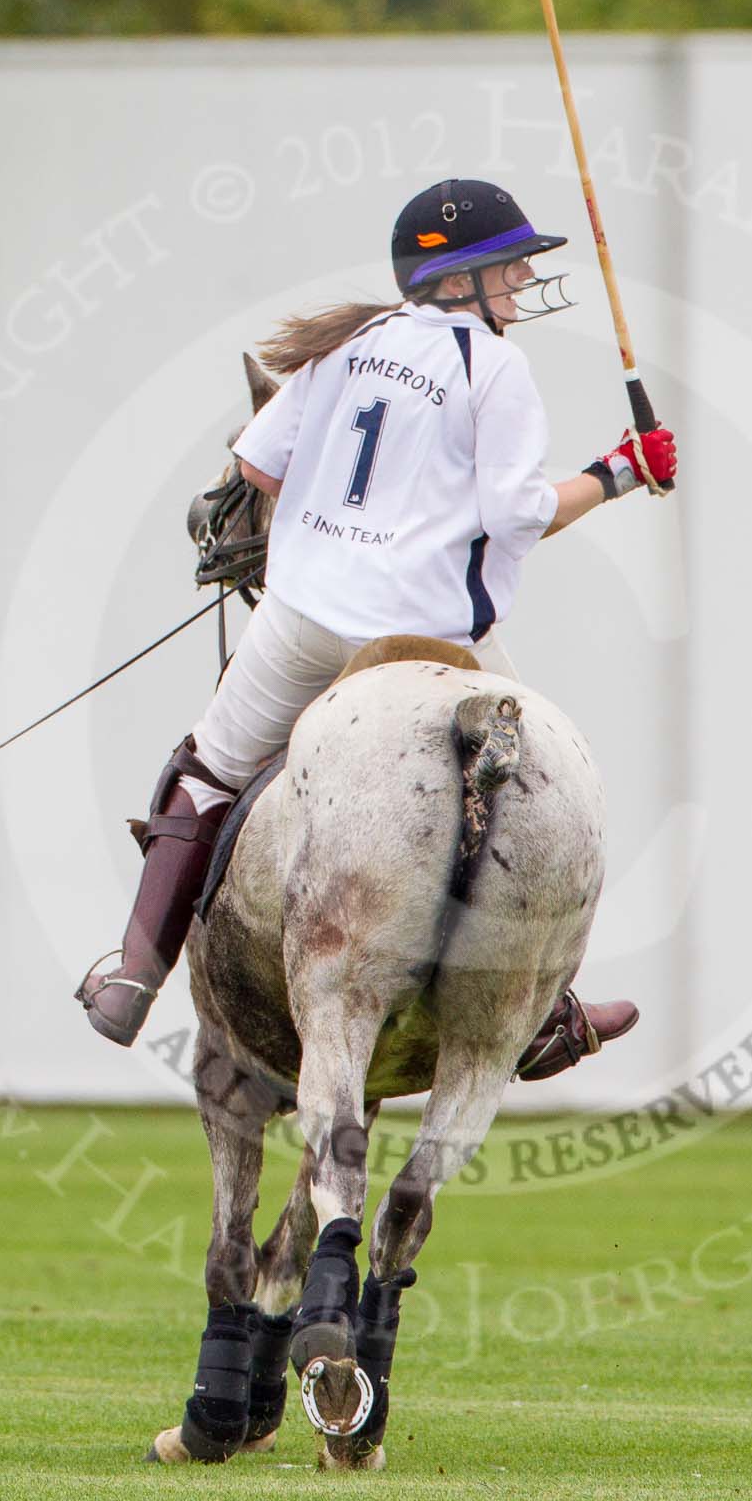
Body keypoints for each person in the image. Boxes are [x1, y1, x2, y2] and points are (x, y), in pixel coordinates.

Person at [78, 178, 678, 1075]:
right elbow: (516, 517)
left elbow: (260, 468)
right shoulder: (494, 366)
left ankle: (133, 974)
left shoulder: (349, 340)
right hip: (431, 643)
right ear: (457, 280)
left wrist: (349, 524)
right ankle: (546, 1010)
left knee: (206, 771)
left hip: (303, 622)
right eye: (506, 266)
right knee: (538, 791)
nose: (519, 281)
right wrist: (620, 471)